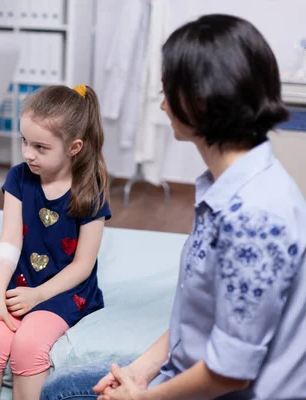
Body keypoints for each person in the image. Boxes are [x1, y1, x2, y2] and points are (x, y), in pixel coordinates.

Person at [40, 14, 306, 400]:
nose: (162, 104)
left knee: (61, 395)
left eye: (169, 90)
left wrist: (142, 397)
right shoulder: (226, 187)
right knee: (63, 387)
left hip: (226, 390)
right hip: (189, 369)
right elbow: (197, 317)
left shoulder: (253, 216)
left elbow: (231, 372)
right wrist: (140, 370)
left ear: (198, 102)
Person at [0, 84, 113, 400]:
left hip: (63, 290)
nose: (28, 153)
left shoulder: (90, 190)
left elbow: (83, 265)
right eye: (24, 142)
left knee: (29, 344)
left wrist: (38, 296)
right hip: (21, 282)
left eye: (40, 147)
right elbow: (9, 240)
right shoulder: (19, 178)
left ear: (74, 147)